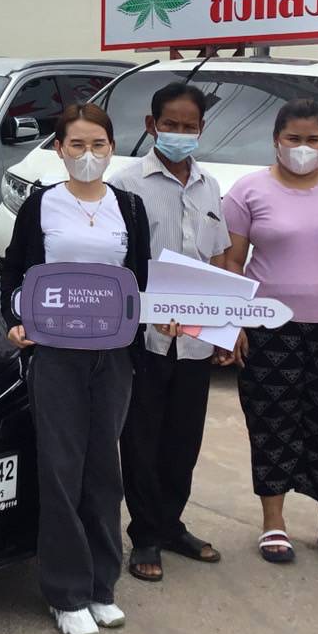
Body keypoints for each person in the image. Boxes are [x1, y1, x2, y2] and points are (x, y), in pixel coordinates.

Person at [0, 103, 152, 634]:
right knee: (61, 468)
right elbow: (15, 272)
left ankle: (101, 586)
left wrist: (161, 318)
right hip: (56, 353)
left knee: (103, 469)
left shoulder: (129, 207)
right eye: (78, 145)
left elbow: (140, 281)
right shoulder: (41, 205)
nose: (89, 155)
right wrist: (18, 319)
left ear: (113, 147)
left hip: (112, 354)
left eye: (99, 145)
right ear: (59, 149)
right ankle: (66, 592)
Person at [223, 100, 318, 565]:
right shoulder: (247, 191)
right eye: (294, 138)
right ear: (276, 140)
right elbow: (231, 261)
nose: (303, 148)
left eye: (314, 139)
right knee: (270, 422)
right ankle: (274, 521)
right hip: (267, 328)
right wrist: (233, 322)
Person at [110, 82, 235, 581]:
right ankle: (144, 535)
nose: (180, 134)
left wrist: (226, 329)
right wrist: (144, 310)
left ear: (202, 129)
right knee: (142, 439)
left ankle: (171, 525)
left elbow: (219, 256)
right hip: (146, 338)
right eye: (171, 125)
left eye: (189, 126)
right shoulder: (126, 185)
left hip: (197, 339)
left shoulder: (209, 185)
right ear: (151, 125)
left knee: (184, 440)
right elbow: (116, 263)